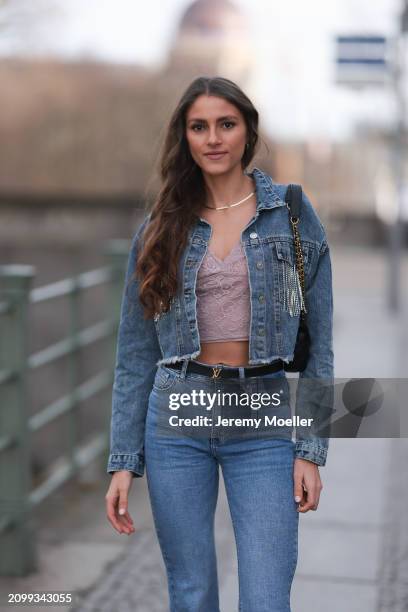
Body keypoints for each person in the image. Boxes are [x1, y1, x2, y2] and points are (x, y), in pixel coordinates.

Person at [105, 76, 334, 612]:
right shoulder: (161, 227)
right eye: (199, 126)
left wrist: (310, 449)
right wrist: (123, 461)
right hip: (177, 421)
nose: (213, 138)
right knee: (191, 593)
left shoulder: (291, 216)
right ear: (184, 137)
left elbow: (320, 345)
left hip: (262, 419)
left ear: (247, 132)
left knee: (266, 598)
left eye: (226, 125)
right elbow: (136, 353)